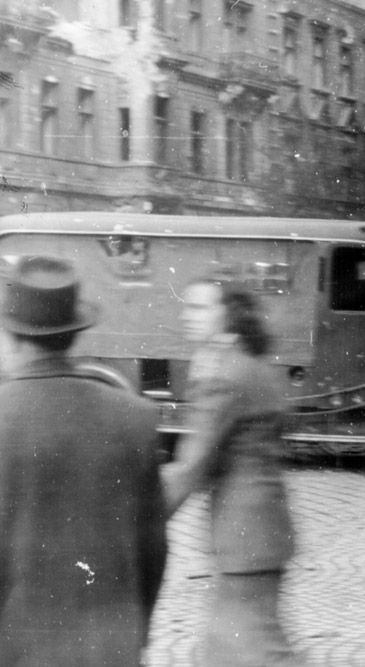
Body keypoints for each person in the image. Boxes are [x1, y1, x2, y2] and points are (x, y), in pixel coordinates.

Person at [0, 255, 167, 665]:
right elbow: (154, 550)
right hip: (110, 647)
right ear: (72, 334)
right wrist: (133, 635)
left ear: (11, 337)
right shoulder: (135, 416)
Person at [161, 275, 298, 665]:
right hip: (260, 530)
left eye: (200, 308)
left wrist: (140, 518)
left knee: (255, 651)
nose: (188, 316)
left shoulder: (222, 374)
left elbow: (192, 466)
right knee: (224, 651)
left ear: (229, 315)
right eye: (187, 306)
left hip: (245, 537)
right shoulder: (251, 364)